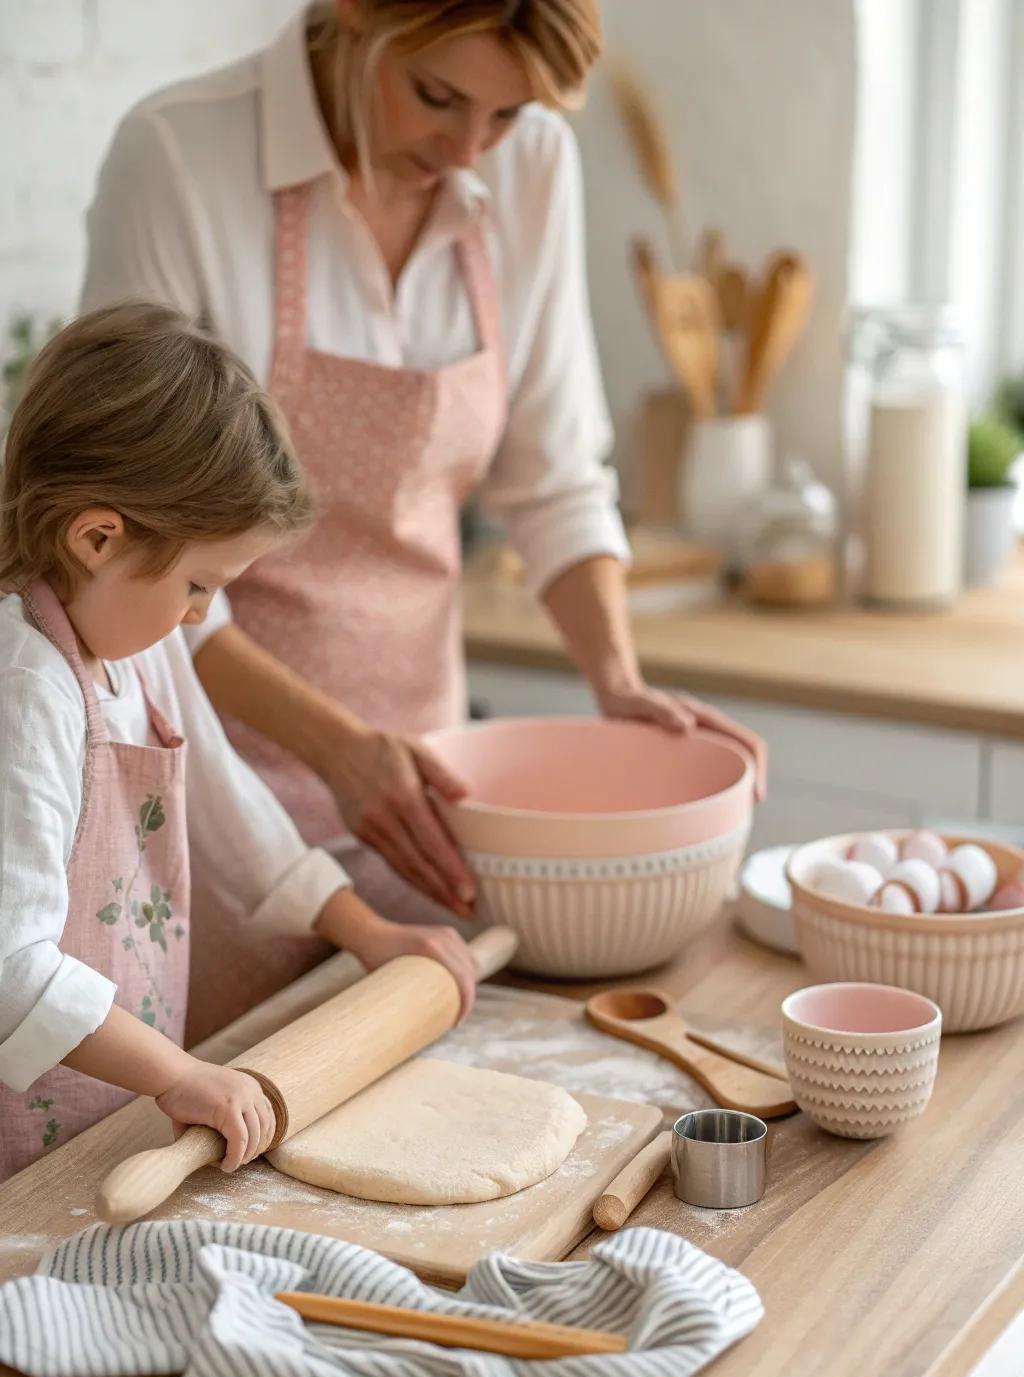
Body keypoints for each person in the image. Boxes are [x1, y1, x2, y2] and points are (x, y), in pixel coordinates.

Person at [82, 0, 765, 1035]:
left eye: (506, 114)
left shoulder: (529, 165)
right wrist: (337, 747)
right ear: (351, 15)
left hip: (428, 790)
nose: (467, 151)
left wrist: (616, 681)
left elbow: (553, 474)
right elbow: (136, 547)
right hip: (208, 784)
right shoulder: (181, 157)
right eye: (436, 97)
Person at [0, 303, 476, 1180]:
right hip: (18, 1149)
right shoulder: (27, 693)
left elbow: (231, 808)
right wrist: (178, 1072)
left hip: (103, 1125)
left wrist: (364, 930)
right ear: (99, 536)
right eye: (197, 583)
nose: (201, 616)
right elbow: (10, 966)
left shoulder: (141, 649)